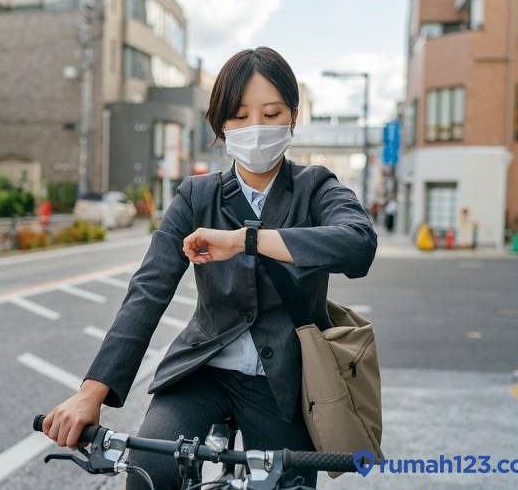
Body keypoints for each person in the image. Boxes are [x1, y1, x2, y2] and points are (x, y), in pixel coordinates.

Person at [41, 47, 377, 489]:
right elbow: (149, 290)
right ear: (220, 125)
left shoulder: (316, 188)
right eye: (239, 116)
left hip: (285, 385)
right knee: (149, 474)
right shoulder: (196, 196)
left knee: (284, 483)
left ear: (293, 117)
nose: (255, 127)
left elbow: (358, 244)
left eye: (271, 112)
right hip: (202, 370)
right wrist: (92, 392)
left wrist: (246, 240)